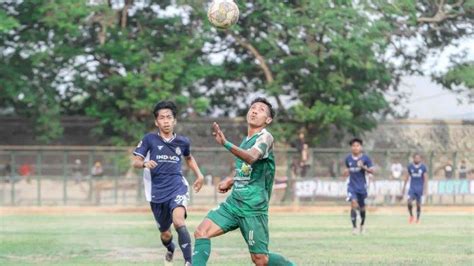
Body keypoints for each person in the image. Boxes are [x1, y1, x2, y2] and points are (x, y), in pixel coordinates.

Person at [192, 98, 294, 266]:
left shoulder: (265, 137)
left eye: (260, 110)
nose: (254, 111)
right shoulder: (245, 140)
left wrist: (225, 143)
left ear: (268, 120)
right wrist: (231, 180)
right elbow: (246, 169)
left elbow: (252, 158)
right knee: (201, 232)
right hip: (233, 204)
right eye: (252, 108)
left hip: (253, 208)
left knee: (261, 260)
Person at [132, 101, 204, 266]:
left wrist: (199, 175)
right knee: (165, 233)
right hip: (156, 192)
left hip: (177, 186)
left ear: (174, 121)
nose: (166, 121)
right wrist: (144, 164)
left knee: (179, 221)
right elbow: (135, 161)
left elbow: (189, 158)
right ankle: (170, 249)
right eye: (162, 118)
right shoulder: (149, 139)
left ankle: (188, 262)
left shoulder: (183, 141)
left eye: (169, 117)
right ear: (156, 122)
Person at [342, 138, 375, 235]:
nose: (355, 148)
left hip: (362, 187)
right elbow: (347, 171)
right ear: (351, 148)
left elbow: (372, 171)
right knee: (353, 203)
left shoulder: (366, 158)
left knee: (362, 208)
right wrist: (345, 173)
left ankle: (362, 225)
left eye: (357, 146)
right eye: (353, 146)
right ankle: (354, 227)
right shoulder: (348, 159)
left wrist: (363, 167)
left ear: (361, 147)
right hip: (351, 186)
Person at [401, 154, 428, 224]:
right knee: (409, 201)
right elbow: (407, 177)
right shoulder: (410, 166)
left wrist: (425, 189)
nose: (417, 159)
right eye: (415, 158)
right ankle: (411, 216)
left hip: (420, 188)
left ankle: (418, 219)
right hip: (412, 188)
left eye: (418, 158)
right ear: (413, 159)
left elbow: (425, 179)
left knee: (418, 204)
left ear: (420, 159)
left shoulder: (423, 167)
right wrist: (403, 188)